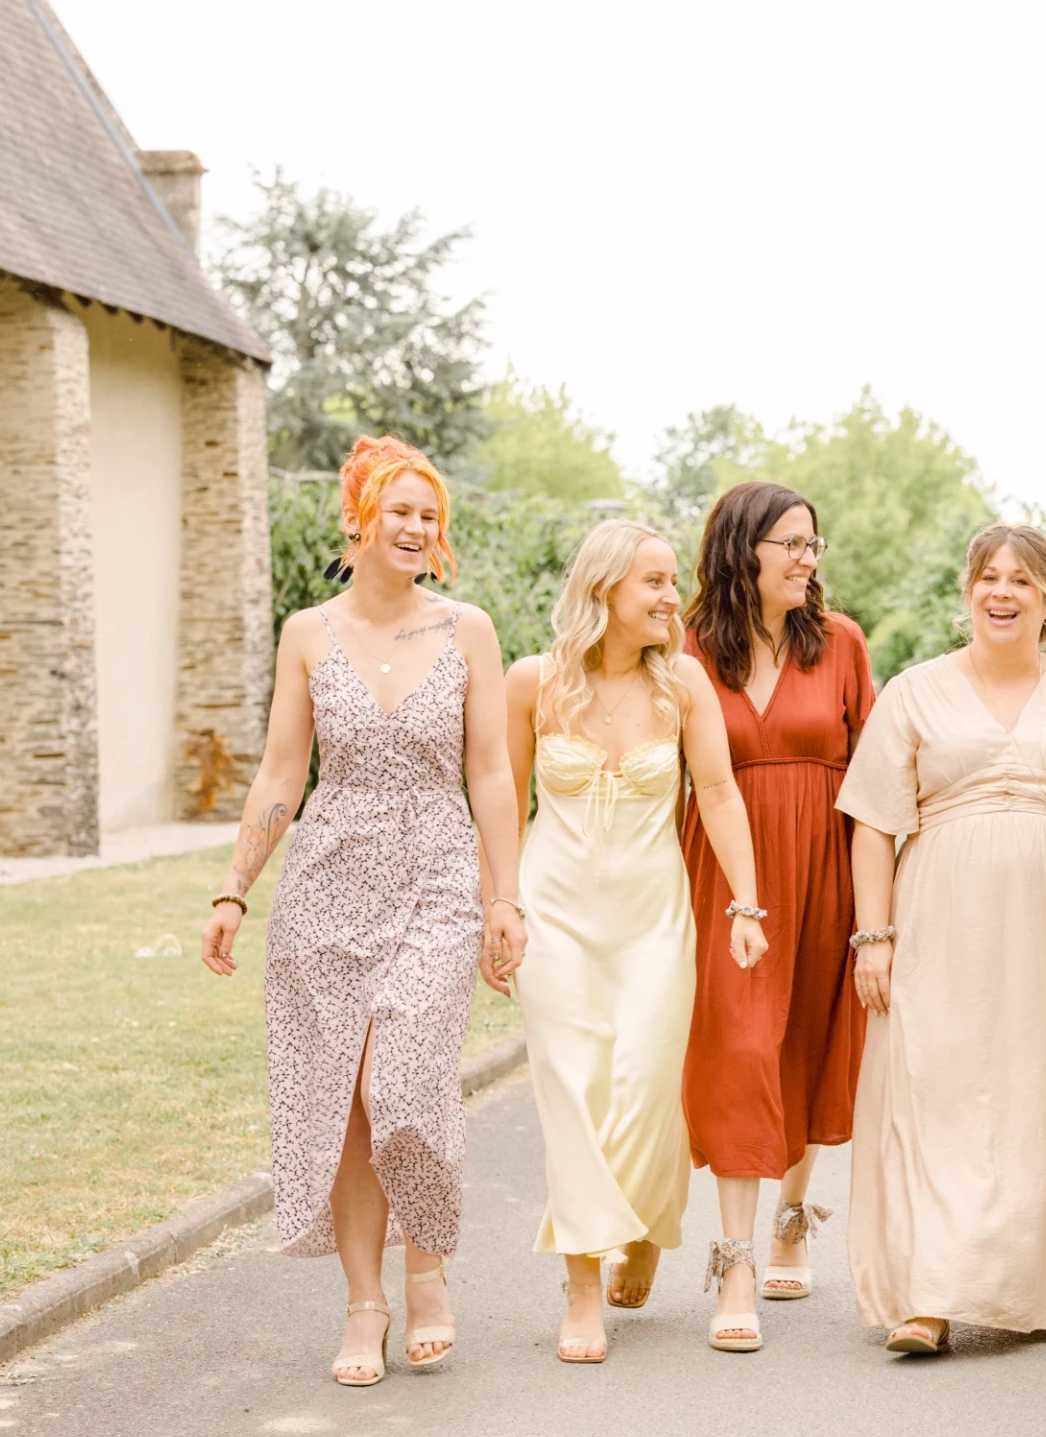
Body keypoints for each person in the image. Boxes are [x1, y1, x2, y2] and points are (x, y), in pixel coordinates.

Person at [199, 435, 525, 1388]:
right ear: (360, 520)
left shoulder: (466, 629)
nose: (419, 529)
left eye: (431, 516)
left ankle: (428, 1270)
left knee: (405, 1087)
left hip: (435, 876)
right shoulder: (307, 632)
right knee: (342, 1099)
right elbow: (280, 774)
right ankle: (364, 1304)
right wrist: (234, 889)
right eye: (403, 513)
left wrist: (504, 898)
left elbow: (493, 773)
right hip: (326, 880)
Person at [836, 523, 1046, 1354]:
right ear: (969, 590)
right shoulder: (914, 690)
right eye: (987, 578)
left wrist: (1035, 852)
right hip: (940, 917)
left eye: (1021, 581)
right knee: (938, 1090)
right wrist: (875, 936)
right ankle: (928, 1296)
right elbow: (872, 824)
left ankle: (1038, 1281)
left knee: (1040, 1090)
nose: (1001, 592)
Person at [504, 521, 769, 1362]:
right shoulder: (532, 683)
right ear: (603, 589)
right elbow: (503, 804)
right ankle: (582, 1283)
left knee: (648, 1083)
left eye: (669, 582)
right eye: (652, 582)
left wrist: (748, 906)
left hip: (655, 919)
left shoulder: (683, 684)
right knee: (573, 1090)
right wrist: (498, 906)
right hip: (555, 915)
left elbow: (720, 795)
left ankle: (646, 1223)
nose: (668, 598)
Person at [679, 483, 874, 1339]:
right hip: (726, 876)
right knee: (741, 1048)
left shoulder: (840, 643)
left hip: (824, 864)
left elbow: (875, 774)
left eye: (812, 545)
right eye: (790, 543)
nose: (806, 558)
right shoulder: (685, 650)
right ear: (741, 551)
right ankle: (736, 1263)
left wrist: (881, 907)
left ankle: (796, 1215)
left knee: (804, 1041)